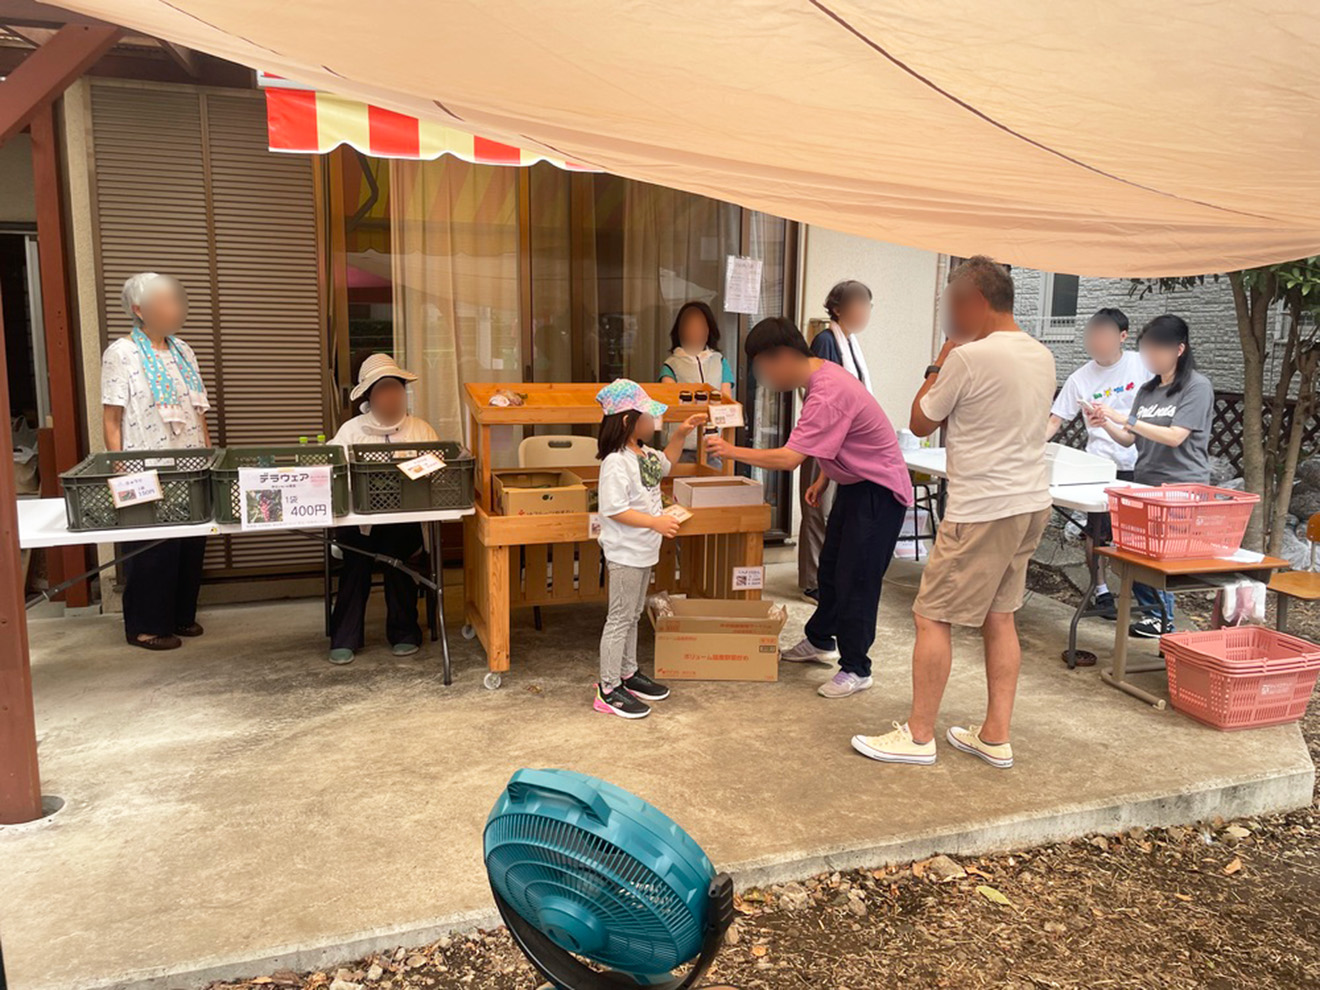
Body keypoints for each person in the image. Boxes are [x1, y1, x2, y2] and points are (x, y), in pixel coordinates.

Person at [851, 256, 1054, 769]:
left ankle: (919, 735)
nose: (947, 314)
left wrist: (940, 357)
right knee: (1000, 615)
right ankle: (995, 734)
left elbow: (920, 420)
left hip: (983, 506)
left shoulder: (969, 357)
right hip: (1031, 501)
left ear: (973, 302)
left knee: (930, 614)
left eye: (950, 304)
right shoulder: (1041, 353)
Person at [706, 317, 912, 699]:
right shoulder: (819, 376)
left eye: (762, 368)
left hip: (878, 493)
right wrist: (825, 477)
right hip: (854, 484)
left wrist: (730, 450)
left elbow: (789, 458)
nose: (762, 377)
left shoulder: (827, 390)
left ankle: (857, 668)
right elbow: (839, 441)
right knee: (830, 570)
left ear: (782, 356)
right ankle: (820, 640)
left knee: (857, 580)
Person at [102, 273, 212, 651]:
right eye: (165, 302)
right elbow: (111, 416)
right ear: (139, 309)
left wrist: (208, 453)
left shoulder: (184, 350)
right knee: (151, 548)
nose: (174, 309)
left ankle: (181, 615)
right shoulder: (121, 353)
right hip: (144, 465)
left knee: (189, 544)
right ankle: (146, 627)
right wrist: (120, 467)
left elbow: (197, 410)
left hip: (191, 463)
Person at [1086, 314, 1213, 638]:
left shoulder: (1197, 387)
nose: (1151, 357)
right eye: (1147, 351)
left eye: (1158, 350)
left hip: (1182, 485)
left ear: (1179, 349)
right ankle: (1155, 617)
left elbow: (1174, 437)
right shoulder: (1146, 390)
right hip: (1144, 482)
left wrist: (1124, 417)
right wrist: (1108, 425)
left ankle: (1164, 621)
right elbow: (1130, 439)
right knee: (1134, 551)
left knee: (1163, 557)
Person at [593, 379, 705, 719]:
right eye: (647, 416)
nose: (653, 422)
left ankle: (628, 673)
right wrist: (655, 522)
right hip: (625, 553)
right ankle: (608, 688)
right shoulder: (616, 462)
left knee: (633, 615)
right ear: (628, 420)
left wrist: (681, 434)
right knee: (620, 618)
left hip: (643, 551)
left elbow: (667, 464)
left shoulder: (644, 454)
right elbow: (613, 509)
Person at [326, 354, 439, 665]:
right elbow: (331, 472)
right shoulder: (350, 431)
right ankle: (344, 637)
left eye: (397, 390)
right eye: (384, 391)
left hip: (404, 522)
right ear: (369, 396)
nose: (392, 398)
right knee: (357, 561)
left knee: (397, 559)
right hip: (359, 523)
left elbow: (438, 469)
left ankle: (404, 632)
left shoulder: (420, 429)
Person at [1046, 307, 1146, 619]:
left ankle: (1142, 596)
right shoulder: (1080, 378)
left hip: (1138, 462)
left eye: (1104, 333)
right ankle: (1101, 591)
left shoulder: (1142, 365)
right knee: (1096, 532)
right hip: (1099, 466)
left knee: (1136, 536)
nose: (1096, 340)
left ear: (1123, 337)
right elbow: (1054, 420)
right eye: (1093, 333)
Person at [800, 280, 875, 604]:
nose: (865, 312)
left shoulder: (850, 343)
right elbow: (817, 391)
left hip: (845, 441)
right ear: (839, 308)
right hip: (823, 437)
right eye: (859, 305)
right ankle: (813, 581)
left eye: (867, 305)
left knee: (832, 512)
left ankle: (827, 579)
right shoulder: (826, 341)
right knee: (818, 509)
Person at [658, 301, 735, 461]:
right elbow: (670, 402)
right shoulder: (671, 365)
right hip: (679, 448)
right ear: (679, 331)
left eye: (700, 326)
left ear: (708, 330)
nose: (694, 331)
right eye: (688, 325)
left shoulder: (720, 362)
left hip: (713, 446)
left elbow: (727, 400)